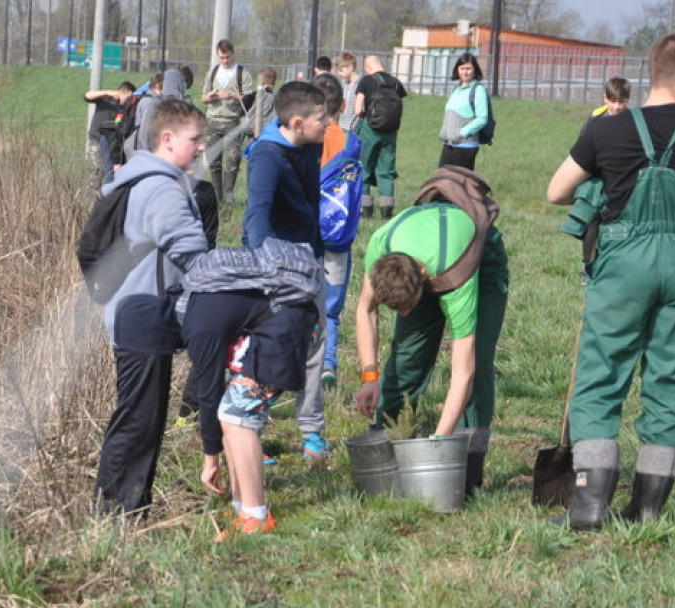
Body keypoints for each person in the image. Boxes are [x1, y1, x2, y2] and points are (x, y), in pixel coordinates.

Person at [546, 34, 675, 530]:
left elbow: (556, 190)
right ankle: (647, 510)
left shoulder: (607, 130)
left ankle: (590, 505)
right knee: (670, 381)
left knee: (601, 376)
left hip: (622, 265)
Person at [184, 82, 330, 538]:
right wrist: (267, 266)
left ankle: (255, 514)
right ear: (298, 122)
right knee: (235, 413)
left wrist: (208, 455)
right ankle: (245, 507)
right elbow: (257, 214)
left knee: (236, 414)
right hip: (285, 295)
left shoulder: (197, 315)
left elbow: (205, 389)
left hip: (288, 304)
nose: (331, 125)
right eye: (325, 118)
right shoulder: (267, 155)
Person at [354, 166, 509, 496]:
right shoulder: (381, 247)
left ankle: (467, 465)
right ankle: (386, 445)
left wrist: (440, 440)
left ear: (422, 277)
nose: (405, 314)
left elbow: (462, 372)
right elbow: (365, 310)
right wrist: (370, 377)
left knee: (477, 363)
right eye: (398, 310)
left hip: (477, 256)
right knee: (407, 355)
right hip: (426, 252)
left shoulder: (457, 275)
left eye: (408, 305)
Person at [94, 99, 209, 516]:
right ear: (167, 138)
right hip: (144, 314)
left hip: (137, 312)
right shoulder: (161, 188)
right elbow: (192, 252)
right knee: (138, 420)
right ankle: (115, 512)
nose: (200, 148)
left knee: (140, 417)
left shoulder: (145, 179)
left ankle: (128, 507)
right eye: (194, 140)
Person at [297, 73, 363, 456]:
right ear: (341, 105)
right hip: (337, 235)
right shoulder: (350, 141)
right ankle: (329, 366)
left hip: (306, 232)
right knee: (332, 308)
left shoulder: (305, 138)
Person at [201, 39, 255, 205]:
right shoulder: (213, 73)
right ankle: (217, 199)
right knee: (213, 163)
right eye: (222, 58)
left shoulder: (242, 74)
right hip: (212, 121)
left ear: (233, 54)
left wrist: (231, 95)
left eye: (228, 57)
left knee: (232, 162)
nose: (225, 61)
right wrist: (211, 96)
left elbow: (249, 99)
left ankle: (228, 198)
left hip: (232, 121)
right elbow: (203, 98)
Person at [355, 54, 407, 220]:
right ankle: (386, 213)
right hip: (390, 132)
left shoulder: (366, 81)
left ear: (367, 68)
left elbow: (357, 109)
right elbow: (401, 109)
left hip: (370, 130)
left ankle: (366, 211)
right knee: (386, 172)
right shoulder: (396, 83)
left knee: (364, 168)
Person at [438, 52, 491, 171]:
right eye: (462, 68)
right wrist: (444, 132)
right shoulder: (456, 89)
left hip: (465, 146)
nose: (465, 72)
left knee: (459, 184)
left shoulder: (478, 89)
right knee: (442, 182)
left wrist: (461, 133)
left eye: (468, 69)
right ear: (457, 69)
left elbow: (482, 118)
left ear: (475, 70)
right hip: (450, 144)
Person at [84, 81, 136, 183]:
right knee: (96, 173)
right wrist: (107, 93)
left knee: (112, 176)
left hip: (115, 146)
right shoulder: (106, 99)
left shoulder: (127, 108)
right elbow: (87, 96)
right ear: (124, 92)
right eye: (128, 96)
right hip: (97, 141)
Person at [247, 68, 278, 140]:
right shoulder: (258, 95)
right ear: (274, 83)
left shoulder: (257, 94)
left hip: (258, 129)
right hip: (261, 131)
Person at [335, 52, 360, 131]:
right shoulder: (342, 84)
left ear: (350, 67)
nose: (339, 74)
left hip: (355, 129)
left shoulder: (362, 84)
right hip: (342, 127)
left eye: (341, 70)